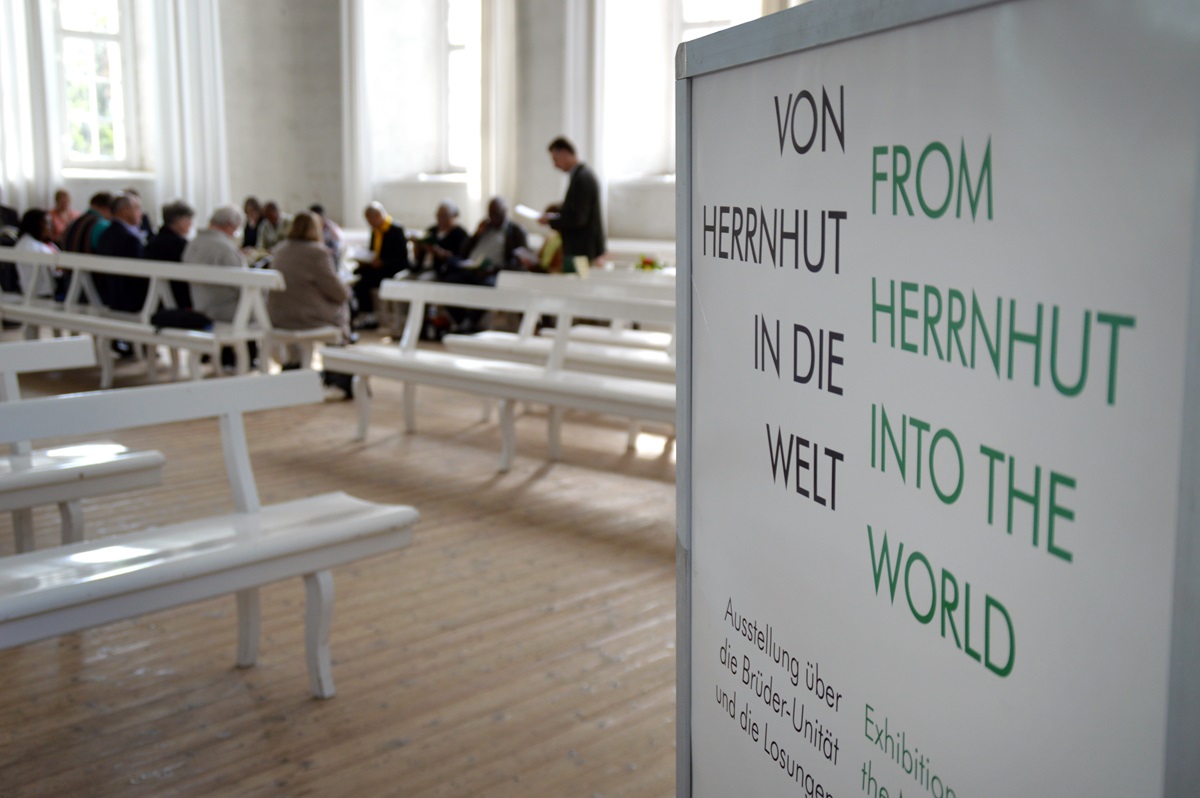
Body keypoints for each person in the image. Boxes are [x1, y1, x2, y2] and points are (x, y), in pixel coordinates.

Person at [434, 197, 528, 334]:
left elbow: (518, 261)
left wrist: (494, 269)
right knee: (446, 284)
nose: (493, 217)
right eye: (490, 214)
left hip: (495, 273)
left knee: (487, 287)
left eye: (496, 213)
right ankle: (463, 321)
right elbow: (463, 251)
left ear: (505, 211)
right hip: (470, 269)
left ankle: (472, 322)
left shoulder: (516, 231)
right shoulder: (484, 227)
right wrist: (477, 235)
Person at [267, 211, 351, 352]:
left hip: (278, 315)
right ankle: (337, 360)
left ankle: (294, 361)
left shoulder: (280, 249)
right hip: (304, 317)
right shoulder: (318, 253)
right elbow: (339, 293)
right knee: (342, 306)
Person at [540, 136, 605, 273]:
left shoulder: (583, 178)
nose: (555, 165)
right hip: (580, 249)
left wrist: (552, 221)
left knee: (579, 288)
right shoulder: (579, 176)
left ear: (564, 153)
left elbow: (578, 218)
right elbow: (574, 208)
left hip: (582, 250)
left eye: (555, 159)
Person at [183, 205, 248, 324]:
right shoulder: (225, 248)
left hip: (200, 307)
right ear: (229, 225)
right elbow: (244, 284)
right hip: (225, 311)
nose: (234, 235)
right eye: (236, 230)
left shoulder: (192, 244)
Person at [352, 201, 409, 329]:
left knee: (365, 281)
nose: (369, 224)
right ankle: (364, 313)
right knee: (358, 274)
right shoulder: (375, 231)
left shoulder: (396, 230)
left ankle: (371, 315)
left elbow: (402, 258)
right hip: (377, 267)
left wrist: (383, 262)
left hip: (393, 268)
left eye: (369, 220)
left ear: (377, 216)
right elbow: (373, 252)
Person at [96, 193, 147, 312]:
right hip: (128, 301)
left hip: (108, 296)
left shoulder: (105, 234)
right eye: (137, 208)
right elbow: (139, 276)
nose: (141, 213)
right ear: (125, 210)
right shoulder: (129, 239)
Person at [144, 201, 196, 309]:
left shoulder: (153, 240)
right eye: (189, 219)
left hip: (152, 297)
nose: (191, 223)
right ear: (178, 220)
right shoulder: (179, 244)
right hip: (175, 299)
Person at [412, 199, 468, 278]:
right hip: (421, 268)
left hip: (442, 272)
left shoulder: (460, 234)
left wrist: (438, 252)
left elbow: (460, 258)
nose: (440, 218)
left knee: (424, 279)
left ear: (453, 216)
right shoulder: (432, 230)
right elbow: (418, 256)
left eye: (444, 215)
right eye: (438, 215)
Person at [12, 209, 57, 297]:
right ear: (36, 225)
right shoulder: (29, 245)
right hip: (39, 293)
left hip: (40, 291)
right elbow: (54, 268)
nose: (50, 227)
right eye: (47, 223)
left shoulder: (40, 243)